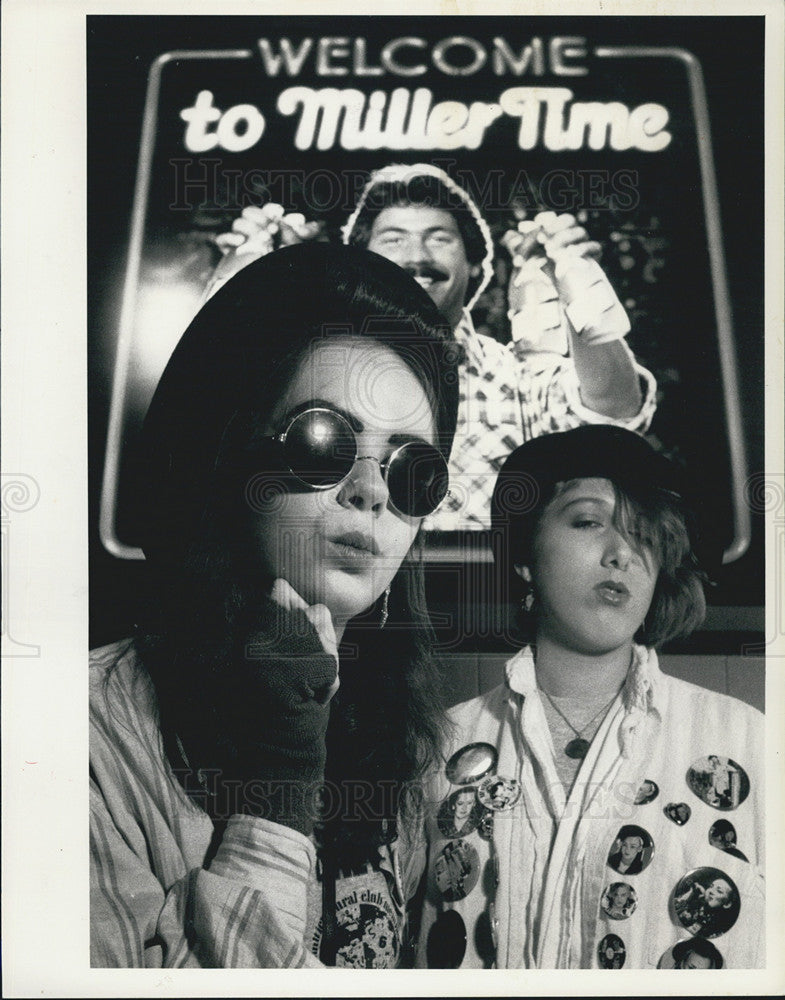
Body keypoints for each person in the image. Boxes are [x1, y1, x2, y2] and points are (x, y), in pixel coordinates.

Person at [89, 242, 460, 967]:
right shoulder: (79, 736)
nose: (371, 490)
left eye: (412, 468)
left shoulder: (409, 753)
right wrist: (277, 789)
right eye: (323, 439)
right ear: (225, 455)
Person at [413, 425, 764, 968]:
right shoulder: (437, 747)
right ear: (525, 557)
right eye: (588, 522)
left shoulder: (751, 740)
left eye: (644, 533)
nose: (622, 553)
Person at [208, 163, 657, 529]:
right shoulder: (307, 365)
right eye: (393, 238)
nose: (417, 255)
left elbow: (612, 410)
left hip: (488, 617)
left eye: (439, 238)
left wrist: (575, 279)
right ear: (360, 262)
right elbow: (214, 396)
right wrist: (252, 274)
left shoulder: (517, 375)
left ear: (474, 267)